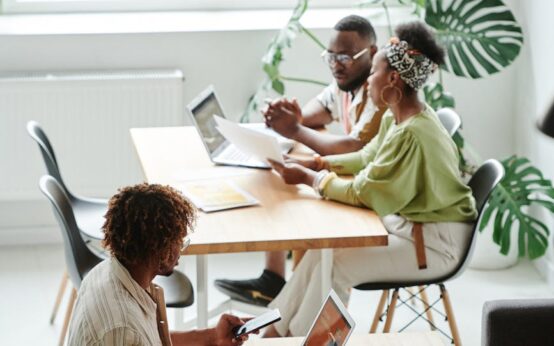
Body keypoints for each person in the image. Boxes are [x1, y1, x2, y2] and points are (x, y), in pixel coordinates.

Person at [262, 21, 478, 337]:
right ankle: (276, 334)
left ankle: (301, 341)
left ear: (393, 79)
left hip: (433, 246)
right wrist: (316, 162)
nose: (369, 83)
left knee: (335, 265)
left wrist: (311, 178)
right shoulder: (399, 115)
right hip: (412, 227)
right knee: (324, 249)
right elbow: (366, 159)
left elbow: (364, 192)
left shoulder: (412, 133)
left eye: (373, 73)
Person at [214, 14, 384, 307]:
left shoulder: (379, 91)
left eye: (345, 57)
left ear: (371, 53)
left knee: (294, 191)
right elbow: (319, 109)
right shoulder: (346, 84)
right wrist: (292, 118)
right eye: (330, 57)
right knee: (282, 169)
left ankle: (289, 291)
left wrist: (293, 128)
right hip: (353, 176)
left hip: (374, 195)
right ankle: (275, 278)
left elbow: (351, 145)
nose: (337, 65)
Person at [68, 183, 251, 346]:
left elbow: (152, 340)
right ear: (162, 252)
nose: (181, 250)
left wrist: (212, 337)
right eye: (180, 242)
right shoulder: (123, 331)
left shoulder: (106, 272)